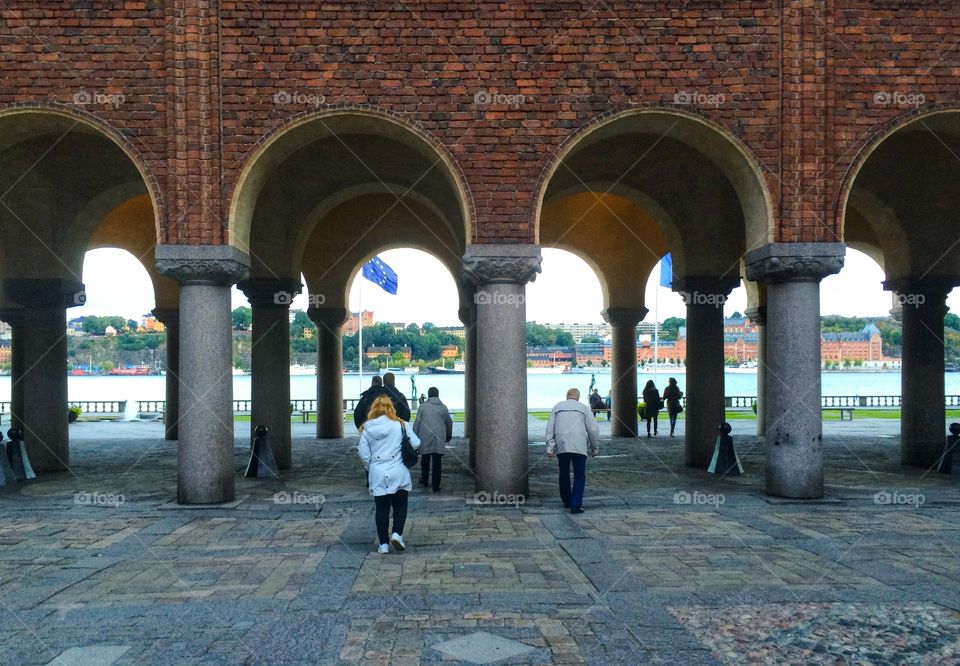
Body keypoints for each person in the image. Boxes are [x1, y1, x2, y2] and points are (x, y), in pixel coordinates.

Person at [357, 395, 421, 553]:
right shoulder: (401, 425)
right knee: (400, 504)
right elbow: (416, 442)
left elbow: (363, 453)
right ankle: (397, 533)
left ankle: (383, 544)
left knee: (381, 508)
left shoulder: (367, 428)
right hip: (398, 468)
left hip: (378, 470)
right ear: (391, 408)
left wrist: (371, 467)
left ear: (373, 409)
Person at [545, 388, 599, 514]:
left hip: (562, 445)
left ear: (567, 396)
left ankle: (567, 501)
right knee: (579, 476)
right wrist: (594, 448)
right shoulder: (584, 408)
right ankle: (575, 505)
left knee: (563, 473)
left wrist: (550, 447)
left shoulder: (557, 407)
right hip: (579, 446)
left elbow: (550, 428)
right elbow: (593, 430)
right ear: (578, 397)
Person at [413, 386, 453, 492]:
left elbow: (417, 423)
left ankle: (425, 480)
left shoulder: (422, 407)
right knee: (437, 461)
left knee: (425, 459)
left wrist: (414, 436)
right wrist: (448, 435)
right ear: (438, 395)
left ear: (429, 395)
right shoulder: (443, 407)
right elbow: (449, 422)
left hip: (425, 436)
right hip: (439, 436)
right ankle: (436, 485)